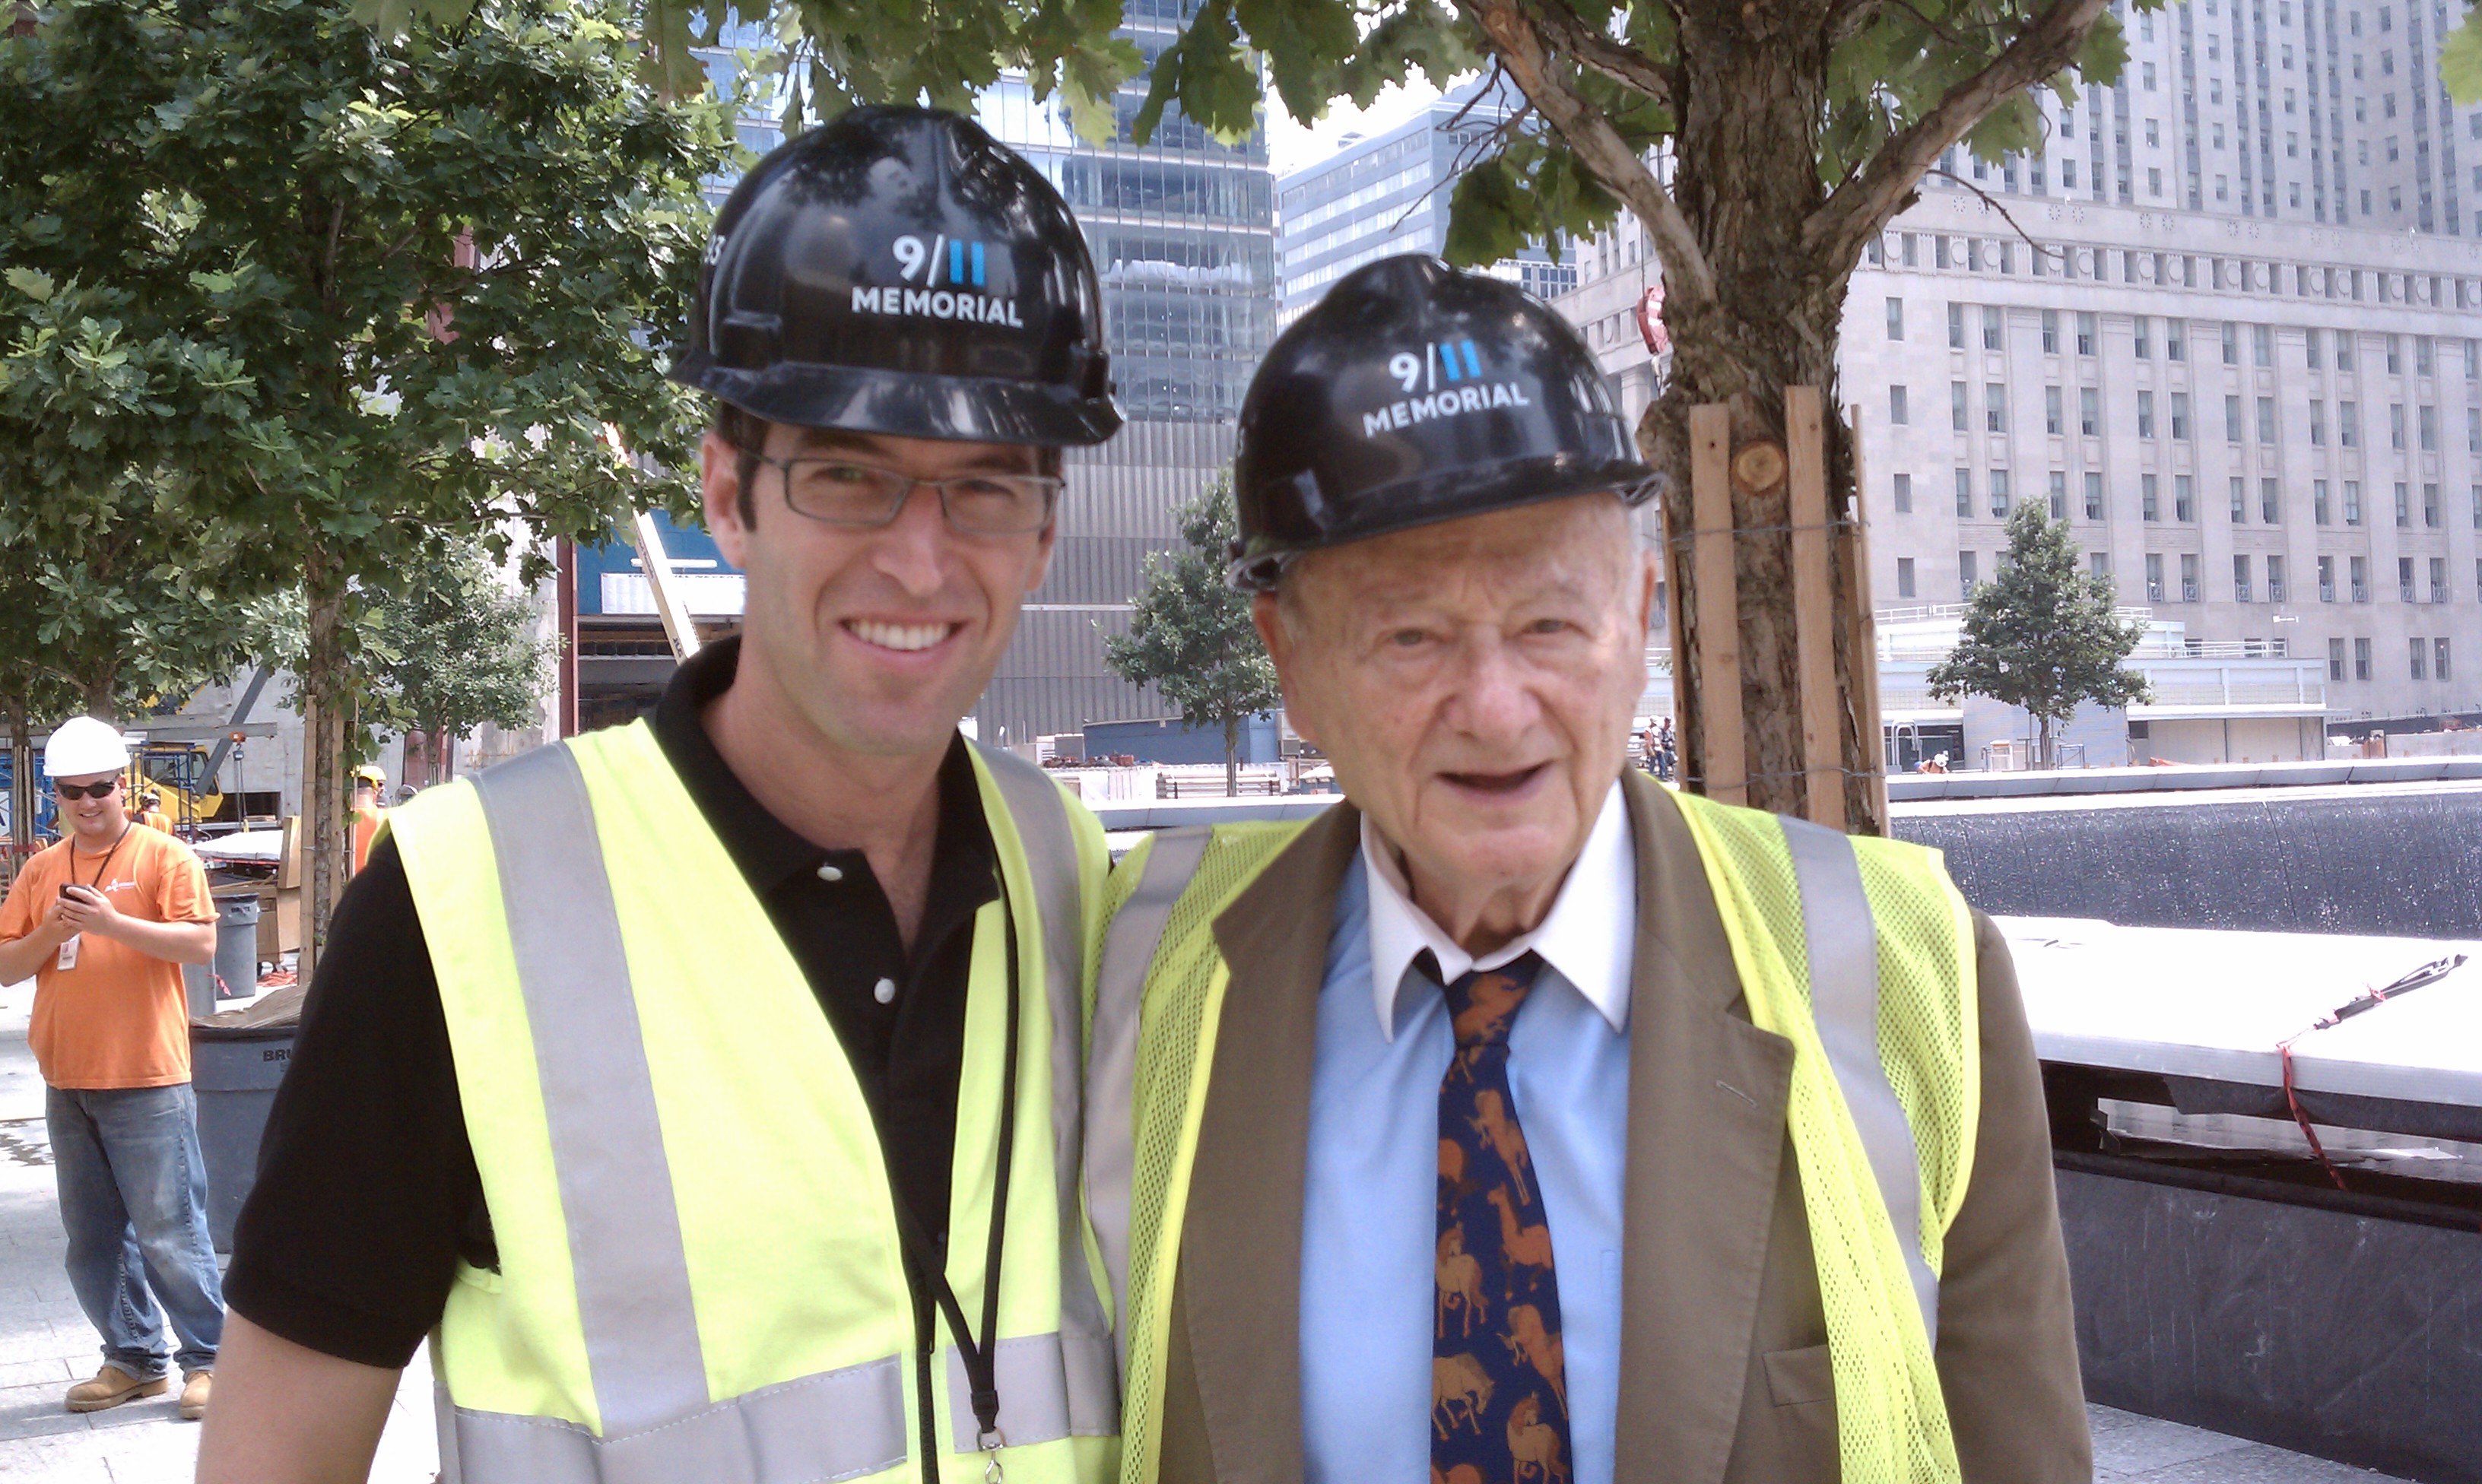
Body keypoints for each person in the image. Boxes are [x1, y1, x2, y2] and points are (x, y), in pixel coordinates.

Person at [200, 106, 1124, 1484]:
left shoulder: (1066, 863)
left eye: (985, 488)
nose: (921, 564)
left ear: (1043, 529)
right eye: (848, 475)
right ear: (728, 494)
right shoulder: (467, 906)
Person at [1084, 258, 2089, 1484]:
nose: (1495, 710)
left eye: (1547, 624)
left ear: (1642, 615)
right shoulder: (1137, 973)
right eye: (1408, 636)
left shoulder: (1901, 962)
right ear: (1286, 662)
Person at [0, 716, 224, 1422]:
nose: (89, 802)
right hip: (69, 1080)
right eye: (73, 792)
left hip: (148, 1077)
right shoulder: (40, 870)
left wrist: (111, 925)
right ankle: (132, 1358)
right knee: (93, 1238)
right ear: (56, 795)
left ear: (121, 786)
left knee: (169, 1230)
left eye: (100, 789)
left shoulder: (165, 858)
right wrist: (52, 932)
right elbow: (7, 967)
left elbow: (200, 945)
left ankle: (211, 1360)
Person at [346, 766, 386, 876]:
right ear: (374, 794)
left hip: (342, 882)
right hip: (373, 883)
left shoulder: (338, 819)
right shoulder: (385, 818)